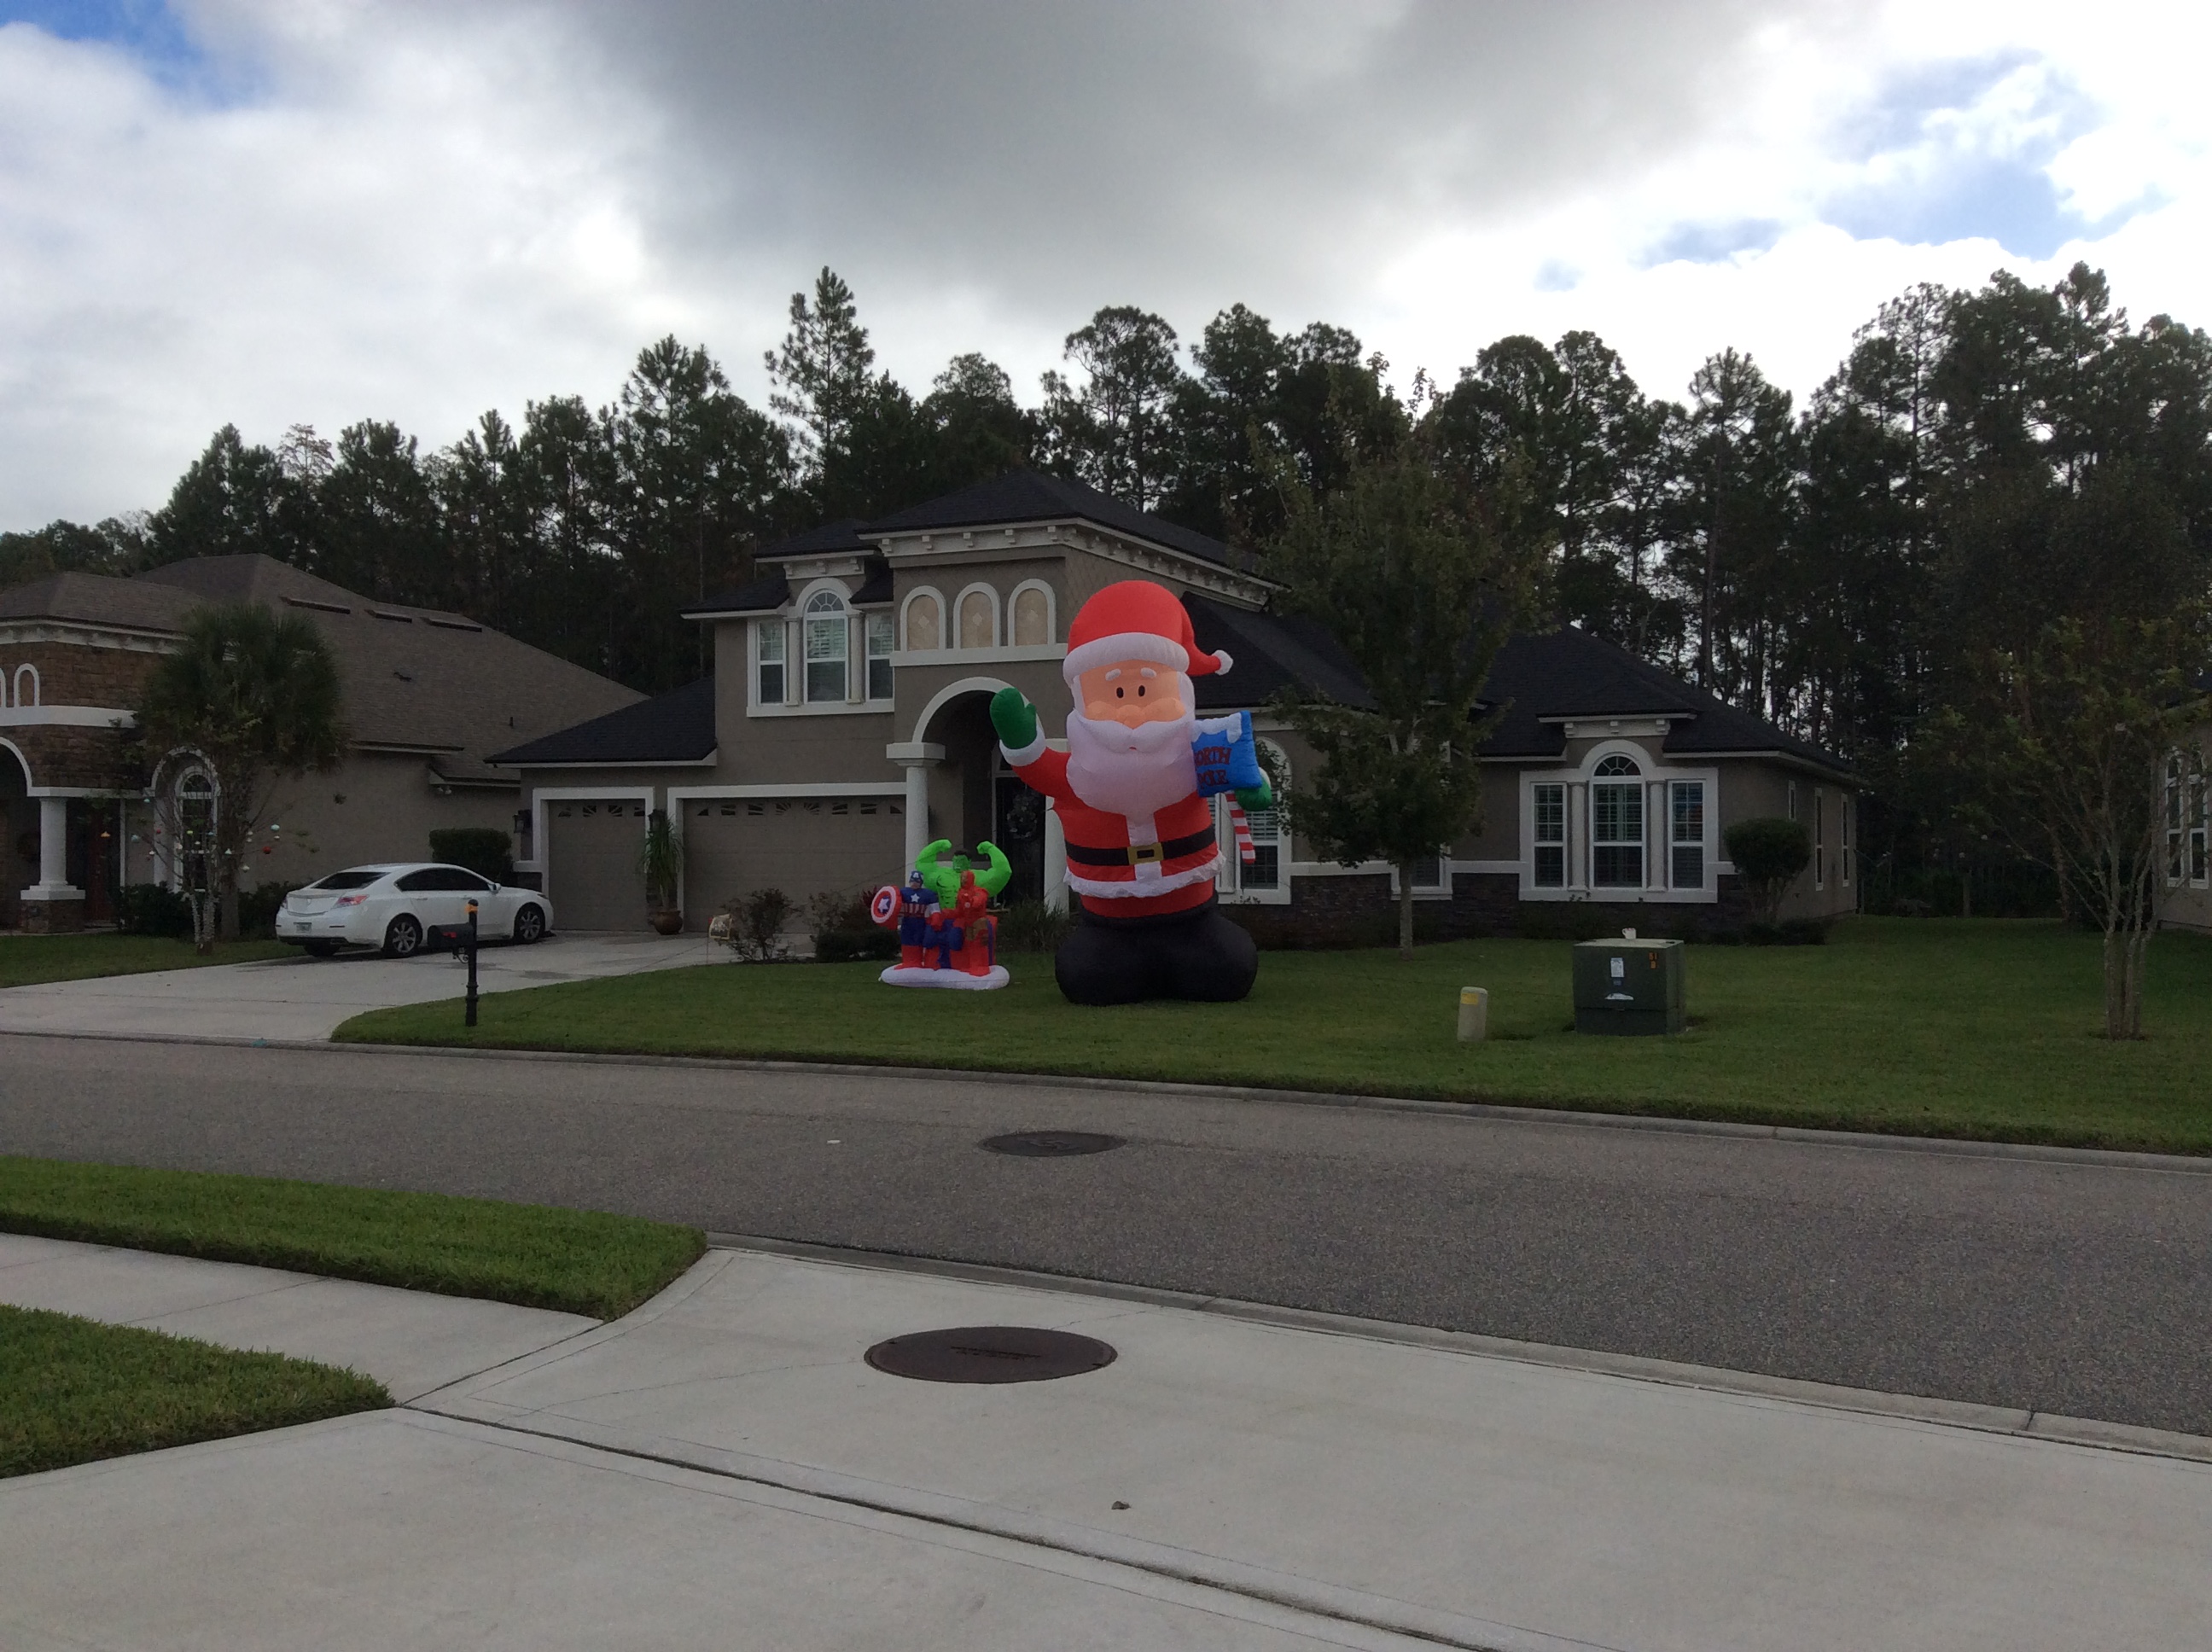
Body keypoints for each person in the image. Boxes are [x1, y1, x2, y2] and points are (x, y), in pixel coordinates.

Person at [990, 579, 1270, 1004]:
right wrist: (1021, 740)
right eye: (1116, 692)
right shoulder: (1078, 774)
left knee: (1225, 967)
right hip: (1109, 925)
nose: (1133, 709)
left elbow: (1239, 773)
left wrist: (1254, 786)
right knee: (1090, 975)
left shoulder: (1197, 756)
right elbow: (1037, 767)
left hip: (1192, 916)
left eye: (1145, 690)